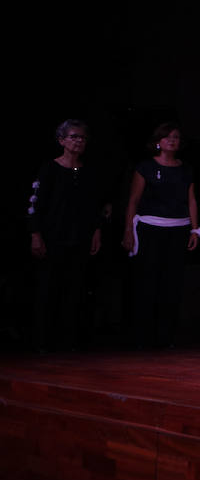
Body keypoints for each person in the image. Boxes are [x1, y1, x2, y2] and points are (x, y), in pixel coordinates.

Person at [27, 120, 106, 351]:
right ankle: (42, 341)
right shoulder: (50, 169)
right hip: (53, 237)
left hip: (79, 237)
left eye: (82, 137)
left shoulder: (88, 172)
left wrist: (97, 231)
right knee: (48, 289)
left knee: (75, 290)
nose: (79, 141)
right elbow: (35, 204)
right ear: (61, 140)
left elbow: (94, 205)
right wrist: (35, 234)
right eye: (74, 136)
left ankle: (68, 341)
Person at [122, 122, 200, 349]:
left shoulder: (186, 169)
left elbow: (192, 200)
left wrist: (195, 229)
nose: (172, 140)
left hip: (177, 229)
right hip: (149, 228)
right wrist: (128, 230)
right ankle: (142, 336)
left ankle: (166, 337)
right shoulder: (145, 167)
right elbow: (134, 201)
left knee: (172, 284)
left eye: (176, 137)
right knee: (147, 282)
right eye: (167, 137)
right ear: (158, 141)